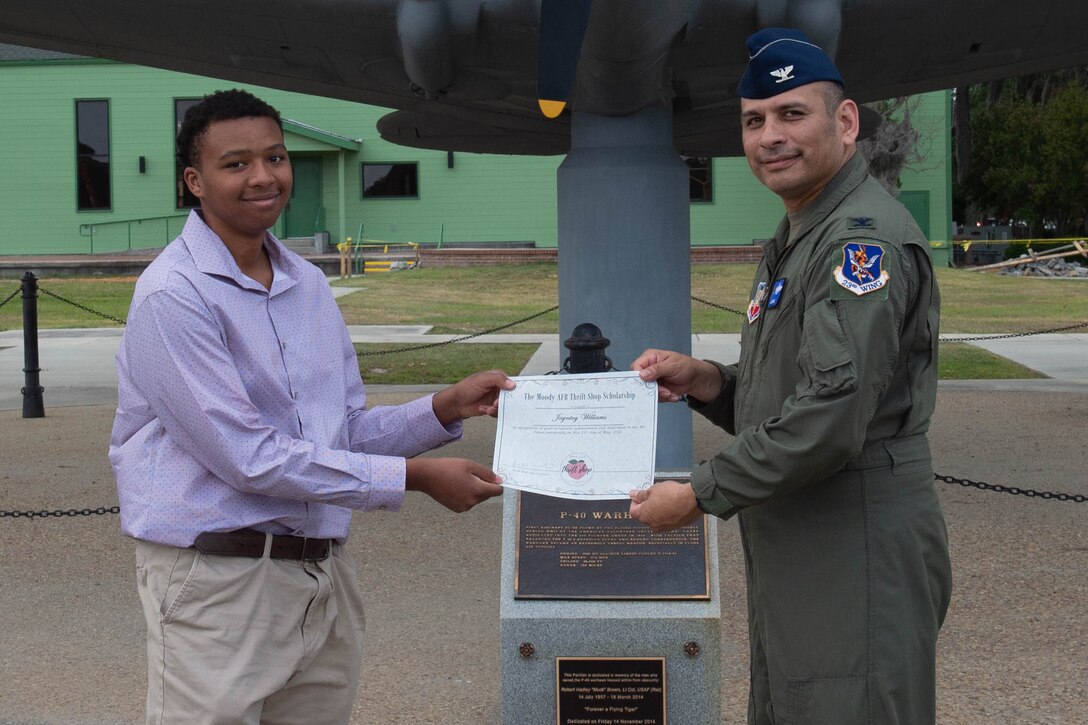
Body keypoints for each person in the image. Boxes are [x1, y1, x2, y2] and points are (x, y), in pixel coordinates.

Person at [109, 88, 513, 724]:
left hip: (320, 576)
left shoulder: (308, 284)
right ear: (194, 181)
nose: (263, 177)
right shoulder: (173, 295)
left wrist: (443, 407)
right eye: (236, 163)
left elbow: (339, 433)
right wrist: (413, 478)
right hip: (218, 581)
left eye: (275, 157)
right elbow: (248, 457)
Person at [628, 28, 952, 724]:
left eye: (791, 114)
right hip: (806, 537)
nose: (770, 136)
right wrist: (709, 381)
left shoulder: (859, 242)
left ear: (845, 122)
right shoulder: (803, 233)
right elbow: (799, 387)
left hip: (853, 540)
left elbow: (830, 415)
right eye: (754, 121)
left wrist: (697, 494)